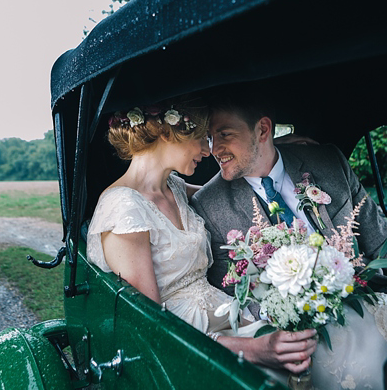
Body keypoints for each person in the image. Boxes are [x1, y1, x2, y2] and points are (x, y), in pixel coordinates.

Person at [190, 89, 387, 326]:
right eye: (210, 137)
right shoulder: (210, 204)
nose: (214, 149)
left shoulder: (328, 163)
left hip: (378, 291)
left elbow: (385, 244)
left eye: (224, 135)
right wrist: (299, 317)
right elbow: (236, 293)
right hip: (309, 325)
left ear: (262, 129)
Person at [85, 96, 318, 385]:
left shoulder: (173, 186)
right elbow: (153, 330)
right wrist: (253, 350)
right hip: (187, 343)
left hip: (225, 314)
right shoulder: (123, 211)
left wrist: (272, 148)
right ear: (169, 133)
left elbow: (228, 186)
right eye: (201, 138)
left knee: (311, 350)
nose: (208, 151)